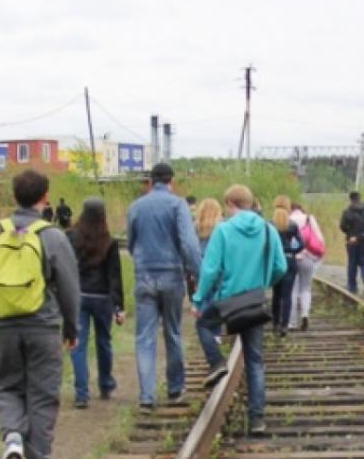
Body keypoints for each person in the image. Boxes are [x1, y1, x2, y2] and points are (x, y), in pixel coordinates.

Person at [0, 169, 80, 459]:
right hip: (42, 325)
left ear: (14, 196)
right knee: (43, 393)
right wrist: (71, 328)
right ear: (44, 197)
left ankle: (13, 438)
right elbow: (70, 288)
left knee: (9, 387)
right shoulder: (53, 236)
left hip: (2, 326)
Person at [192, 184, 287, 435]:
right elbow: (281, 267)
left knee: (202, 323)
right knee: (255, 360)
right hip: (254, 301)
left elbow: (210, 270)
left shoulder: (223, 230)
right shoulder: (268, 229)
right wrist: (264, 282)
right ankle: (257, 419)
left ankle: (216, 363)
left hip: (227, 301)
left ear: (231, 204)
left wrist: (199, 299)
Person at [126, 162, 201, 410]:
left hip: (145, 275)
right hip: (172, 275)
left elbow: (130, 242)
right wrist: (197, 274)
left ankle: (147, 396)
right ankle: (175, 388)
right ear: (172, 181)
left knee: (145, 337)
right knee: (173, 333)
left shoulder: (136, 206)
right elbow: (189, 243)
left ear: (150, 181)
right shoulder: (178, 204)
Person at [68, 198, 126, 408]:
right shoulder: (109, 241)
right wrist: (119, 306)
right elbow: (114, 275)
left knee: (78, 344)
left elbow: (67, 269)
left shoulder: (72, 237)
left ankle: (81, 393)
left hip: (79, 296)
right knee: (104, 342)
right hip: (102, 298)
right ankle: (105, 383)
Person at [269, 196, 303, 336]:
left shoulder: (270, 224)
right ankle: (284, 325)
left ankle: (275, 323)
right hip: (289, 260)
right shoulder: (292, 225)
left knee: (276, 294)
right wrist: (292, 251)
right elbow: (301, 243)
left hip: (275, 262)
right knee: (287, 294)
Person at [289, 202, 325, 330]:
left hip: (292, 259)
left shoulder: (287, 219)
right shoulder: (309, 218)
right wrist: (317, 258)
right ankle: (305, 314)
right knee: (306, 288)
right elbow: (320, 239)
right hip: (308, 258)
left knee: (292, 290)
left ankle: (292, 322)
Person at [339, 191, 364, 295]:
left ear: (350, 199)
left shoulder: (347, 212)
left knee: (352, 263)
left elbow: (342, 226)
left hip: (352, 242)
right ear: (360, 198)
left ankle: (352, 287)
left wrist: (350, 233)